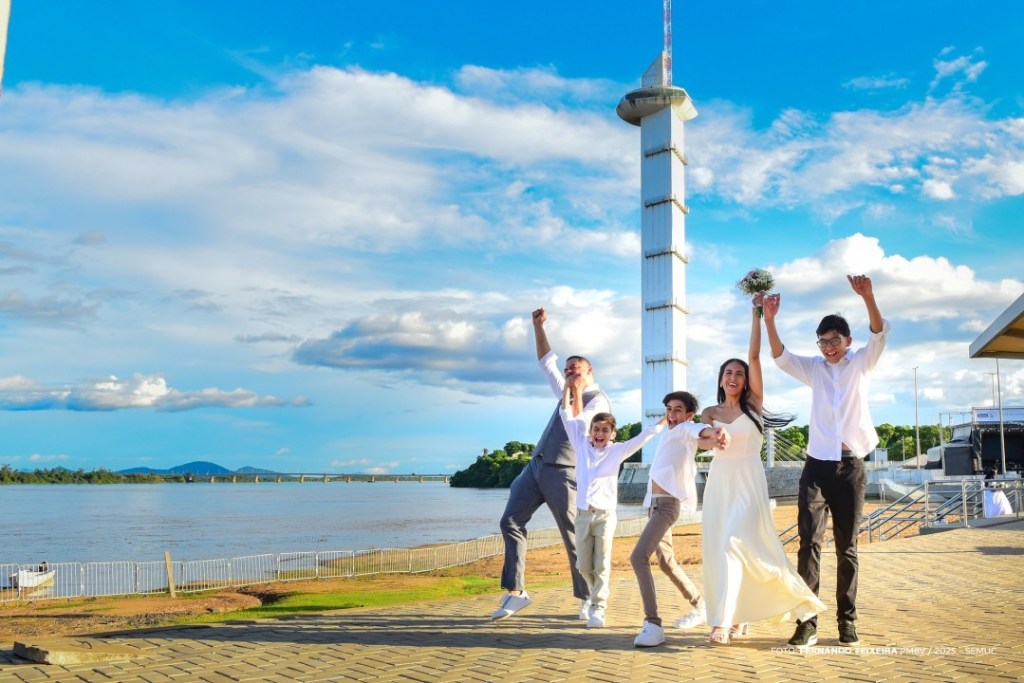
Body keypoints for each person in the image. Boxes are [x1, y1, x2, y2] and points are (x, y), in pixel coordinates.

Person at [763, 274, 889, 649]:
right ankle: (807, 623)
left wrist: (868, 296)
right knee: (808, 545)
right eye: (823, 342)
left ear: (847, 341)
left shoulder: (862, 362)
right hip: (816, 467)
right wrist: (769, 319)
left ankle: (846, 623)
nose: (829, 347)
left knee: (847, 548)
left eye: (835, 341)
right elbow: (780, 357)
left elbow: (879, 333)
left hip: (850, 467)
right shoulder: (814, 368)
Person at [699, 293, 826, 645]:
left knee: (737, 548)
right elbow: (701, 438)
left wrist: (757, 314)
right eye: (729, 372)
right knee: (724, 550)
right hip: (721, 486)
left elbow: (755, 354)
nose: (735, 376)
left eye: (739, 373)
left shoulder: (754, 404)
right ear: (721, 379)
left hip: (749, 484)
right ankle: (737, 615)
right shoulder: (709, 412)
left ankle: (722, 623)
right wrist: (713, 439)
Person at [491, 308, 611, 621]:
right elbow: (547, 363)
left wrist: (574, 394)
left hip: (566, 473)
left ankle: (588, 598)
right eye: (569, 370)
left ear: (589, 371)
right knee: (510, 521)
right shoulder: (566, 389)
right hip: (535, 467)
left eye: (576, 370)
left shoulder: (598, 400)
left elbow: (581, 427)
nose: (570, 373)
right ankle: (516, 592)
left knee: (574, 536)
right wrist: (538, 327)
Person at [559, 380, 667, 628]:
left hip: (606, 516)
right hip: (583, 515)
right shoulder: (580, 445)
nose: (599, 433)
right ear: (590, 431)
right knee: (583, 565)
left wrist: (665, 418)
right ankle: (589, 597)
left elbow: (645, 435)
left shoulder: (618, 451)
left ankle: (599, 608)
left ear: (612, 434)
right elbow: (567, 414)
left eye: (605, 430)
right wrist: (568, 388)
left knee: (602, 563)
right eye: (596, 429)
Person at [630, 392, 730, 648]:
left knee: (638, 557)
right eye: (668, 409)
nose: (671, 415)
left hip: (666, 507)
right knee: (666, 562)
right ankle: (699, 605)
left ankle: (653, 624)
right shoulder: (670, 432)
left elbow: (702, 431)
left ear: (687, 415)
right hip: (655, 506)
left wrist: (715, 433)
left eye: (677, 410)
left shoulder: (686, 428)